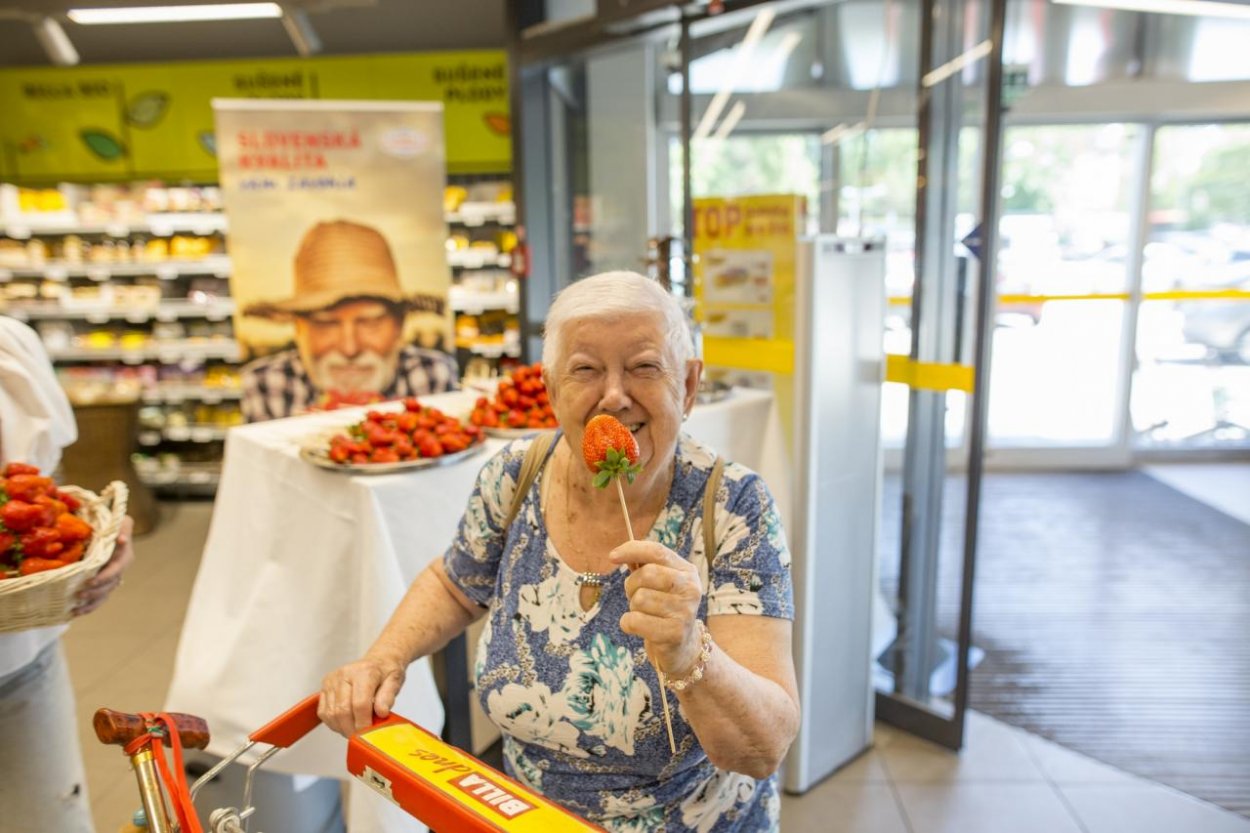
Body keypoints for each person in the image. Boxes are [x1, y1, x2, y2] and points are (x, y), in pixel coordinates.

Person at [320, 271, 799, 832]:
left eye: (644, 367)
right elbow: (455, 582)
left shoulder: (735, 506)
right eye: (586, 370)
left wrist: (690, 651)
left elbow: (762, 750)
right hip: (526, 816)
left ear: (688, 386)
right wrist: (384, 658)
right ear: (550, 391)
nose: (615, 396)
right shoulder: (515, 474)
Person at [0, 315, 135, 832]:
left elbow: (40, 486)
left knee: (49, 818)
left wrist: (96, 539)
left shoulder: (10, 347)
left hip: (19, 663)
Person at [240, 219, 458, 422]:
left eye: (370, 323)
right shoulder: (265, 385)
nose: (349, 348)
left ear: (399, 326)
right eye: (326, 324)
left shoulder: (434, 376)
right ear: (298, 329)